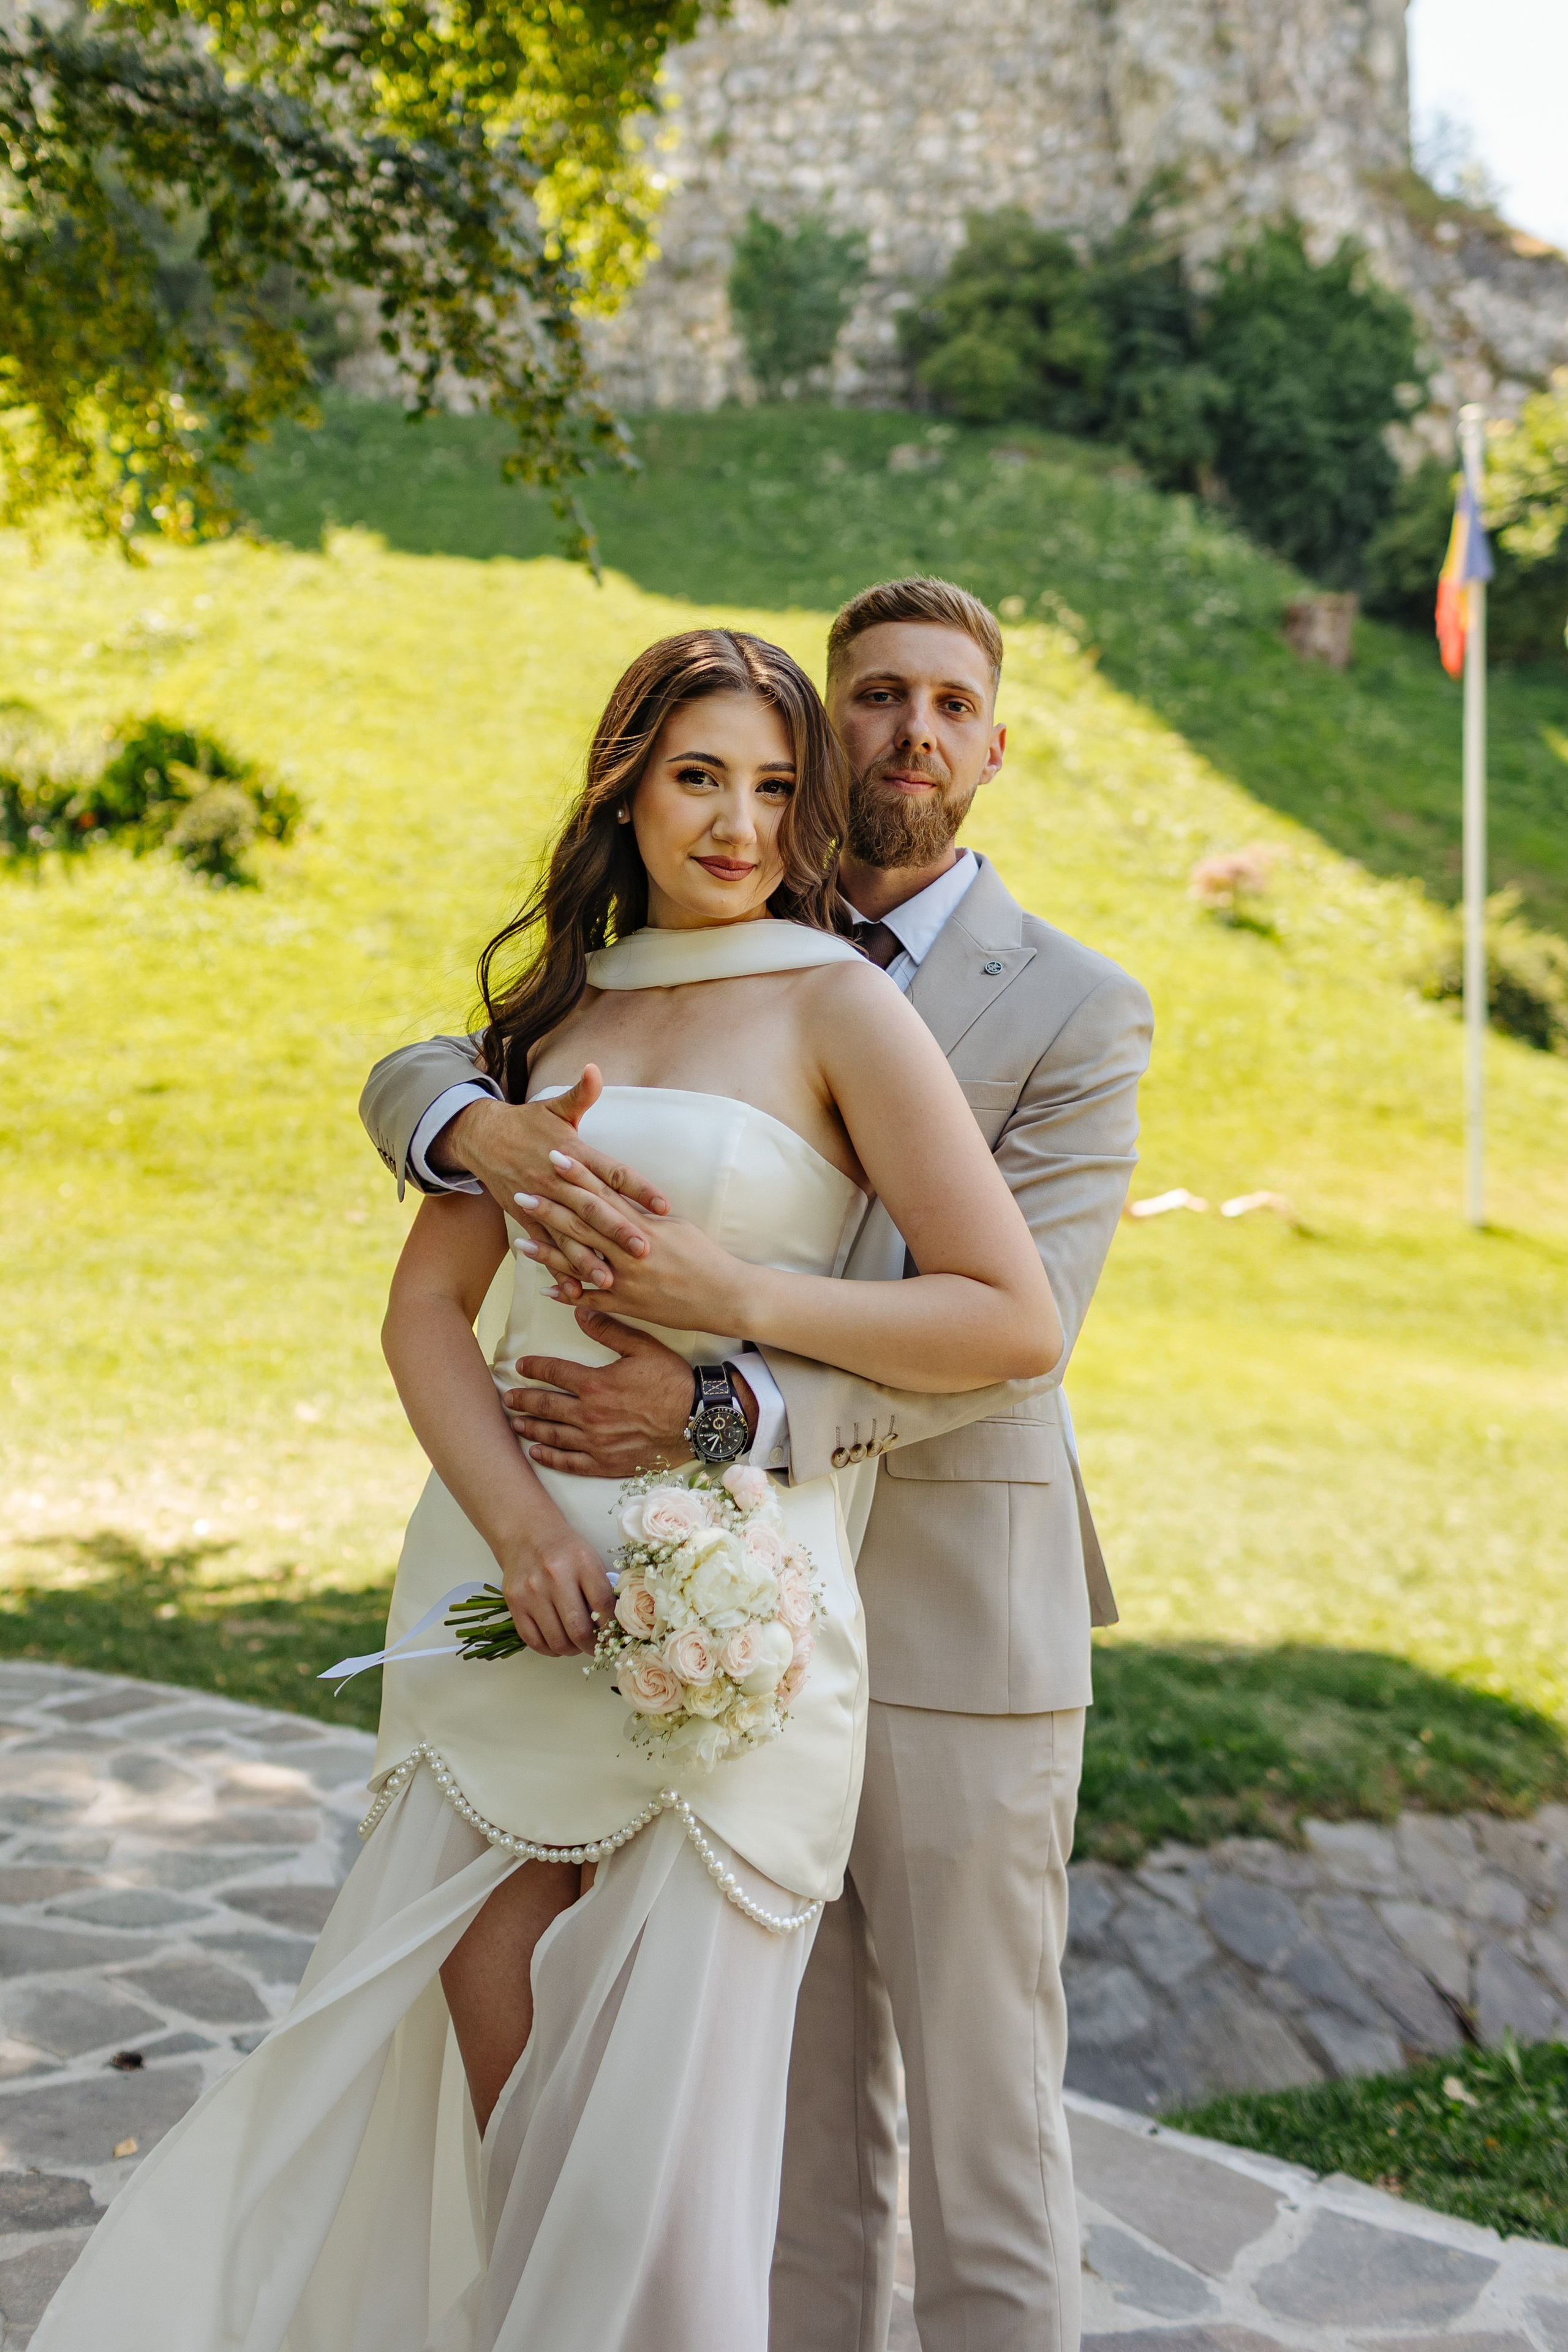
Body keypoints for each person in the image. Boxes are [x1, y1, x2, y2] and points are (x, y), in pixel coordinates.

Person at [33, 627, 1058, 2352]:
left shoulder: (837, 1002)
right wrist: (515, 1525)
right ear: (627, 789)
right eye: (697, 778)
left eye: (772, 787)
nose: (736, 822)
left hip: (728, 1623)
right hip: (500, 1611)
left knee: (648, 2162)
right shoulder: (553, 1022)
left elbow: (1009, 1319)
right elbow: (426, 1314)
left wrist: (736, 1307)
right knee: (506, 2117)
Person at [363, 576, 1153, 2352]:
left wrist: (721, 1395)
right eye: (875, 697)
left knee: (984, 2134)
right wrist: (446, 1113)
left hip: (942, 1608)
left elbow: (1023, 1326)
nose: (911, 734)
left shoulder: (1075, 1011)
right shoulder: (642, 970)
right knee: (753, 2143)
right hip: (631, 1602)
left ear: (996, 747)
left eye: (952, 705)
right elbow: (480, 1066)